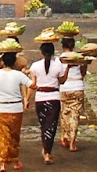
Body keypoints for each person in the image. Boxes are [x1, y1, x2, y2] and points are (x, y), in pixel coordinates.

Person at [0, 38, 32, 172]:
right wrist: (32, 75)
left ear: (3, 61)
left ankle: (2, 163)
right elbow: (32, 85)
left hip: (0, 108)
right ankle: (15, 160)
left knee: (2, 135)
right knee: (14, 136)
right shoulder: (19, 75)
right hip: (16, 108)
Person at [29, 30, 69, 164]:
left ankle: (45, 150)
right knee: (51, 126)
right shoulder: (58, 65)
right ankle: (47, 151)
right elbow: (62, 81)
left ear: (41, 52)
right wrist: (68, 68)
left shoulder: (35, 66)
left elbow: (33, 84)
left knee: (44, 125)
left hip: (40, 98)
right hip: (54, 98)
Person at [56, 22, 88, 151]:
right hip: (78, 87)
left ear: (62, 45)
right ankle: (72, 142)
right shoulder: (80, 58)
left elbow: (58, 75)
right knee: (75, 115)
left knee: (65, 112)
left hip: (64, 88)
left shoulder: (59, 59)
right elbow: (83, 73)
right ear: (74, 45)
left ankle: (64, 136)